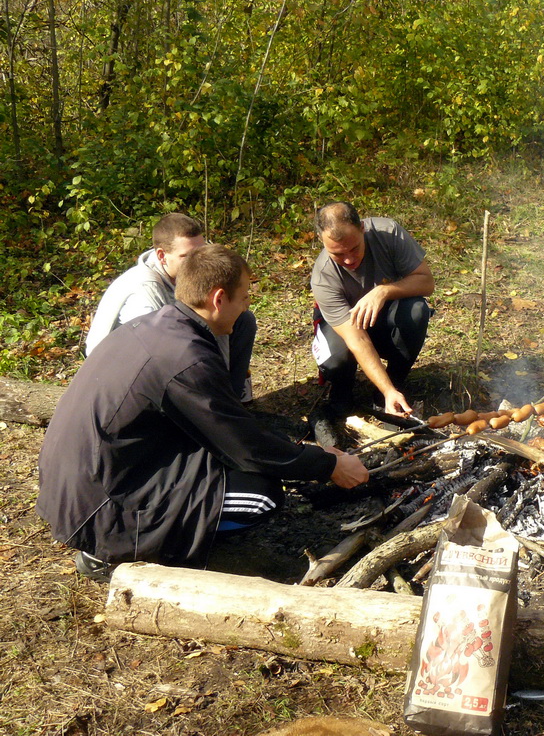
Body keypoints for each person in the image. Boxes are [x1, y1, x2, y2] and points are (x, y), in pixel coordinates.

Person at [37, 244, 368, 582]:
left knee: (235, 465)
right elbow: (245, 446)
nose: (246, 307)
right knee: (261, 496)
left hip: (79, 483)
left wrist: (307, 454)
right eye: (244, 298)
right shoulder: (186, 360)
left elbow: (225, 425)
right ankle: (118, 550)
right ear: (219, 299)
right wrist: (328, 466)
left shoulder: (160, 326)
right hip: (99, 506)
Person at [85, 213, 256, 400]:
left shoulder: (193, 274)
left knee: (242, 320)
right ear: (162, 255)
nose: (198, 262)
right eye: (187, 256)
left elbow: (217, 319)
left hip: (171, 350)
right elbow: (156, 356)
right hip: (122, 378)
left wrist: (222, 388)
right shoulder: (145, 290)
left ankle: (232, 398)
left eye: (201, 253)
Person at [311, 201, 434, 417]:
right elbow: (356, 339)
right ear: (322, 240)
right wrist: (387, 390)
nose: (349, 260)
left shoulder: (389, 234)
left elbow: (426, 283)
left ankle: (392, 387)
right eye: (338, 254)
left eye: (354, 248)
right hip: (348, 330)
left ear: (362, 228)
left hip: (387, 318)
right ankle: (343, 391)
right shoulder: (323, 277)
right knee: (335, 359)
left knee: (416, 311)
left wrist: (383, 291)